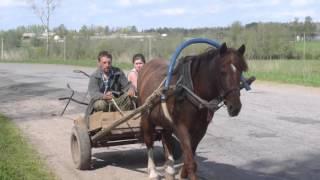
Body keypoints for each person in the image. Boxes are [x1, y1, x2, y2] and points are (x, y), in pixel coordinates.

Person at [85, 51, 135, 120]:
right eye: (104, 63)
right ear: (99, 63)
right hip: (103, 101)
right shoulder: (94, 76)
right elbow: (93, 93)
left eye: (109, 62)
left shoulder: (118, 72)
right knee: (99, 104)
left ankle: (121, 118)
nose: (107, 65)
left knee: (128, 98)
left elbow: (127, 85)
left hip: (116, 100)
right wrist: (104, 96)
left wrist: (131, 89)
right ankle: (104, 120)